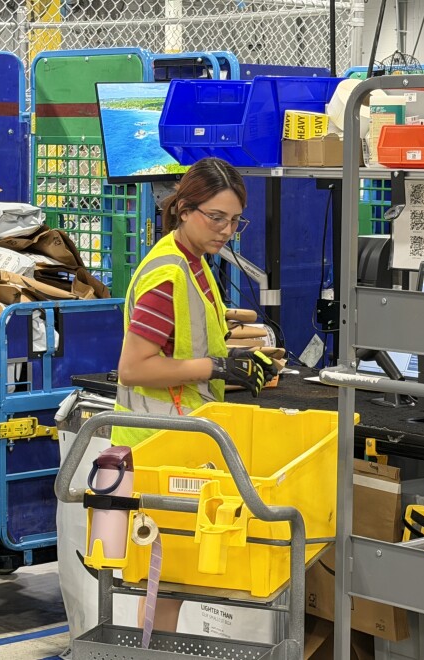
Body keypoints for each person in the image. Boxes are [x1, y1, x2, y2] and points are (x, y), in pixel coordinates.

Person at [115, 157, 277, 632]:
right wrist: (219, 367)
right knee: (165, 582)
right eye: (216, 218)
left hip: (182, 439)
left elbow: (190, 339)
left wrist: (239, 359)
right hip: (155, 444)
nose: (226, 231)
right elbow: (133, 368)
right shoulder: (167, 276)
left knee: (174, 581)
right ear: (184, 210)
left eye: (235, 220)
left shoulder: (194, 262)